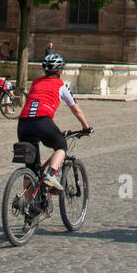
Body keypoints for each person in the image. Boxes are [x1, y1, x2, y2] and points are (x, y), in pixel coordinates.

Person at [17, 53, 92, 193]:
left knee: (31, 168)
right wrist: (85, 127)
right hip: (42, 121)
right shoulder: (60, 84)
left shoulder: (35, 82)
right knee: (61, 145)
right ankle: (51, 175)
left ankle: (27, 206)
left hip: (23, 123)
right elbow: (76, 109)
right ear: (60, 71)